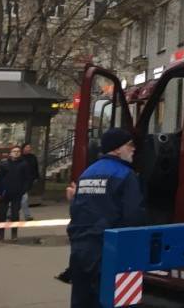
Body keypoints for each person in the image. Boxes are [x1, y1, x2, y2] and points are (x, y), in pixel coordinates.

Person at [67, 128, 145, 308]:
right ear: (117, 149)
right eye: (130, 145)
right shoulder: (125, 174)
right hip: (109, 251)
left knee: (83, 301)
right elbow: (133, 216)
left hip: (81, 250)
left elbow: (78, 211)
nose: (133, 149)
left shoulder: (88, 173)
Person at [0, 144, 32, 241]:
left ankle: (14, 235)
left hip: (17, 193)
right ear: (10, 153)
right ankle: (0, 234)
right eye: (14, 151)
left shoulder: (24, 164)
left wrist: (23, 190)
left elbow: (27, 179)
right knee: (2, 214)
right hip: (4, 193)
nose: (16, 153)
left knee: (15, 214)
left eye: (18, 151)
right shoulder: (4, 164)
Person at [21, 142, 40, 221]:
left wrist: (36, 177)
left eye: (29, 147)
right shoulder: (20, 157)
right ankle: (27, 215)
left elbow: (35, 168)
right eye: (27, 147)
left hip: (29, 179)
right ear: (23, 148)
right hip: (20, 179)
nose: (28, 149)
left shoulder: (33, 157)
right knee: (24, 198)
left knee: (22, 198)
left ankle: (10, 213)